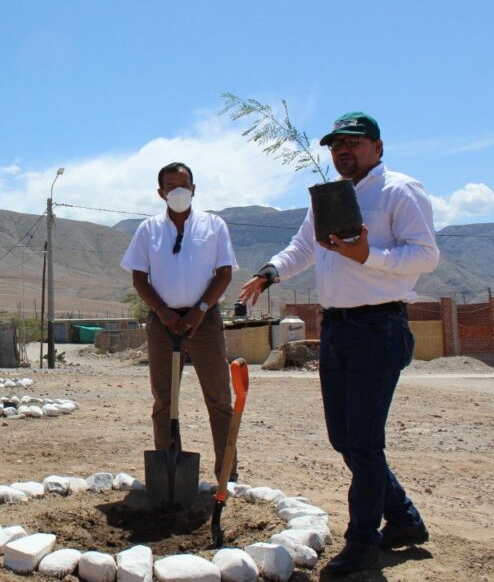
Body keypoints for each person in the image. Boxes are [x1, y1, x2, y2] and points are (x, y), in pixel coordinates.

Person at [239, 112, 439, 576]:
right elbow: (304, 246)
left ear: (378, 148)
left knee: (364, 443)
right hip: (336, 330)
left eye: (353, 143)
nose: (342, 151)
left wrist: (367, 254)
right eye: (335, 146)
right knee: (344, 439)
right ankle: (405, 520)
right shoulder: (330, 197)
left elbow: (426, 255)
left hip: (380, 329)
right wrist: (269, 273)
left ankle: (362, 543)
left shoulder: (400, 190)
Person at [120, 162, 239, 483]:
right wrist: (162, 311)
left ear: (194, 189)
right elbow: (139, 278)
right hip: (163, 324)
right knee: (164, 401)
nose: (179, 192)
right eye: (172, 187)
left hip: (205, 323)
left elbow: (225, 272)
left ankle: (227, 476)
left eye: (184, 185)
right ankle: (169, 475)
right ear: (161, 193)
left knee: (219, 400)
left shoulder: (214, 226)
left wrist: (200, 309)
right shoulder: (148, 230)